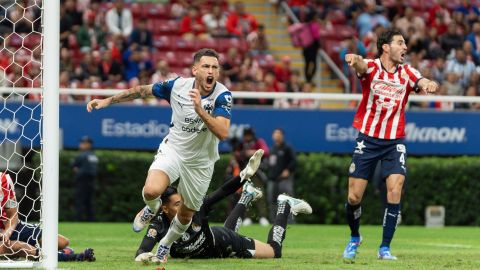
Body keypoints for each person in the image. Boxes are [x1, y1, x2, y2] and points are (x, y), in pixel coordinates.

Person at [86, 48, 232, 264]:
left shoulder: (223, 94)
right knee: (152, 190)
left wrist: (200, 110)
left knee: (185, 216)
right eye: (206, 66)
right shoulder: (177, 86)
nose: (211, 71)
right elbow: (141, 91)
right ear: (195, 70)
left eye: (214, 67)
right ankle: (151, 208)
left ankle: (164, 245)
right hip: (174, 149)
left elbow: (223, 133)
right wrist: (108, 101)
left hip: (201, 162)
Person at [342, 28, 438, 262]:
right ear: (386, 47)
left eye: (405, 43)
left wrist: (427, 83)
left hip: (394, 141)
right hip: (367, 139)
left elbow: (419, 79)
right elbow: (362, 67)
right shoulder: (373, 67)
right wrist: (355, 60)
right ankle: (355, 237)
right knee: (354, 197)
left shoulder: (406, 72)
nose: (405, 47)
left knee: (395, 190)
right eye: (400, 43)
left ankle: (385, 248)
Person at [134, 150, 312, 264]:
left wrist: (244, 175)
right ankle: (248, 195)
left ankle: (285, 205)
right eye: (177, 204)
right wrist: (142, 256)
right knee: (229, 229)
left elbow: (222, 192)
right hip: (215, 246)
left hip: (225, 243)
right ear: (164, 209)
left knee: (275, 252)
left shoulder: (193, 207)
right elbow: (144, 248)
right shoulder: (159, 225)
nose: (183, 207)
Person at [0, 172, 95, 262]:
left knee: (62, 242)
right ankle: (74, 257)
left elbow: (12, 215)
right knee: (20, 247)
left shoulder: (3, 179)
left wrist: (6, 233)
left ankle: (58, 252)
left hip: (10, 228)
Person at [267, 128, 296, 223]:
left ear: (282, 135)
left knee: (286, 200)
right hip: (273, 179)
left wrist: (288, 170)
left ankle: (290, 221)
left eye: (278, 134)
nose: (277, 136)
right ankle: (274, 221)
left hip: (284, 179)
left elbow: (293, 161)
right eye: (275, 134)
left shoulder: (287, 147)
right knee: (272, 200)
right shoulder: (272, 149)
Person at [72, 136, 98, 222]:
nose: (81, 145)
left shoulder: (82, 156)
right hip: (92, 182)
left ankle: (79, 220)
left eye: (83, 143)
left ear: (88, 144)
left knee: (80, 202)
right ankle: (91, 220)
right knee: (89, 202)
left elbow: (74, 167)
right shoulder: (94, 156)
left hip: (82, 181)